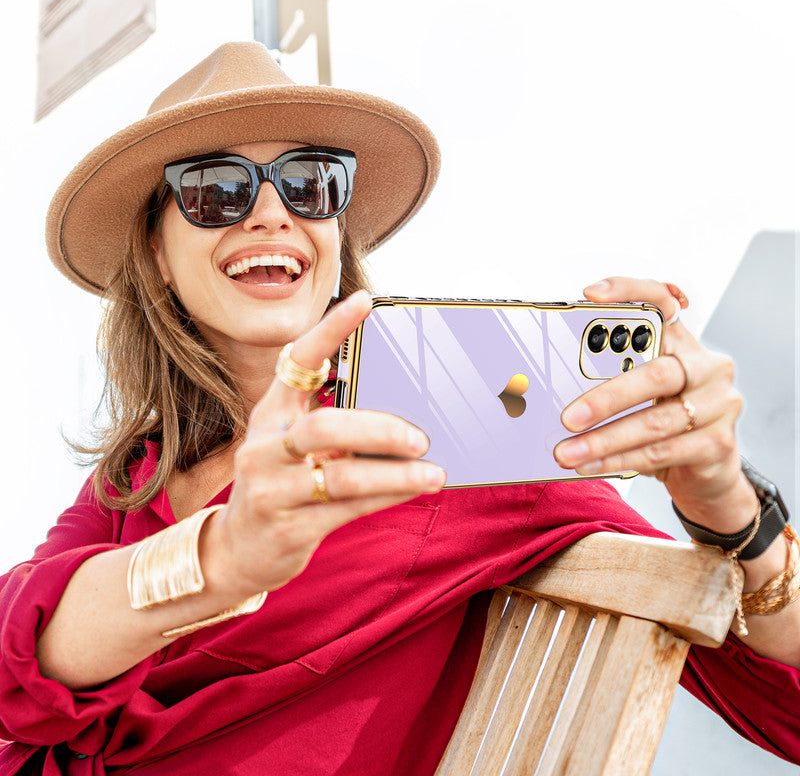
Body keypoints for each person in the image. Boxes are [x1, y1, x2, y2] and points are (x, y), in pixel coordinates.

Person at [0, 41, 798, 775]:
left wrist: (732, 508)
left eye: (310, 183)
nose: (272, 214)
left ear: (336, 234)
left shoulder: (449, 440)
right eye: (216, 191)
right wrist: (218, 560)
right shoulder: (140, 472)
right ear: (158, 257)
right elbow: (15, 665)